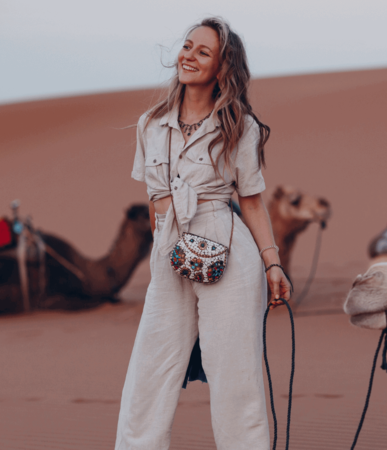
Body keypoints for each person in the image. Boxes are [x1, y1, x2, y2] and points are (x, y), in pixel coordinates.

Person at [116, 17, 291, 449]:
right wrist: (169, 244)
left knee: (235, 377)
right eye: (187, 47)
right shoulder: (150, 124)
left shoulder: (239, 126)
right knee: (148, 374)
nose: (189, 56)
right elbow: (156, 202)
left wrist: (272, 263)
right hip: (170, 252)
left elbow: (250, 201)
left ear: (222, 67)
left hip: (228, 250)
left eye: (203, 52)